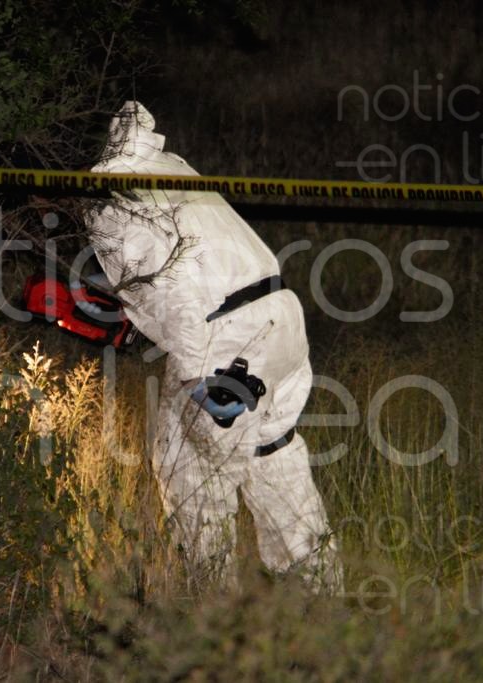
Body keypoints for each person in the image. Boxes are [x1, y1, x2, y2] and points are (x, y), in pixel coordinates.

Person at [84, 101, 342, 591]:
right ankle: (324, 599)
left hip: (224, 343)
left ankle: (210, 613)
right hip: (281, 321)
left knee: (191, 471)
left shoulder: (107, 196)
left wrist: (193, 367)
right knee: (273, 452)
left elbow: (168, 290)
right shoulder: (172, 165)